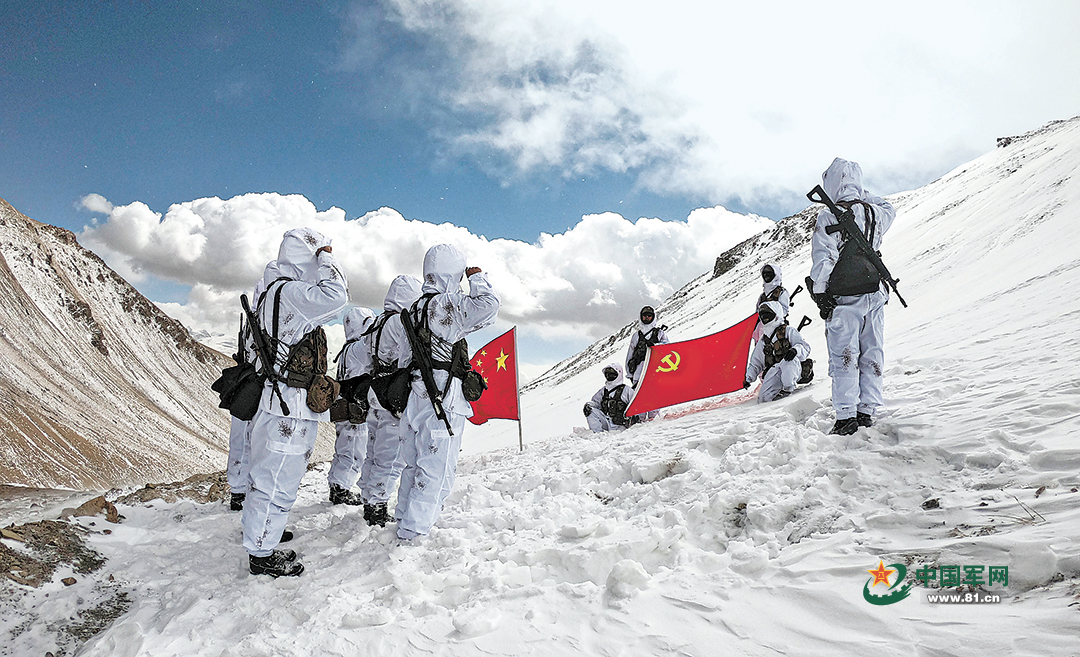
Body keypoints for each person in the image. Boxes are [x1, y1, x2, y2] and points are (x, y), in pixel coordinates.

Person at [242, 228, 348, 577]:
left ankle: (262, 534)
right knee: (278, 479)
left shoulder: (274, 290)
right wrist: (328, 258)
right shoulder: (289, 293)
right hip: (288, 405)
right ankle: (261, 553)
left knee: (269, 475)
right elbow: (336, 296)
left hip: (277, 402)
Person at [394, 244, 499, 541]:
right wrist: (477, 278)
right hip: (441, 397)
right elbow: (489, 305)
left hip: (415, 394)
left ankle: (404, 518)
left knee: (413, 466)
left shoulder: (413, 309)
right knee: (436, 469)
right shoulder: (445, 304)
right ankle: (413, 533)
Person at [807, 158, 896, 435]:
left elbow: (824, 259)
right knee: (872, 351)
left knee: (845, 353)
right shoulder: (875, 213)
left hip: (844, 298)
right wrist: (860, 195)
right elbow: (889, 207)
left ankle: (846, 416)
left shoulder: (829, 216)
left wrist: (821, 295)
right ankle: (867, 410)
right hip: (875, 292)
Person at [358, 275, 422, 527]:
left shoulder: (376, 323)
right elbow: (408, 355)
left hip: (375, 390)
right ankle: (377, 505)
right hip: (392, 395)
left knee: (373, 452)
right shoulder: (399, 323)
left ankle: (368, 497)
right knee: (391, 457)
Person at [226, 267, 271, 512]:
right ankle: (246, 492)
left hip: (245, 385)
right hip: (257, 386)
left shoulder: (252, 319)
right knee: (255, 440)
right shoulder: (264, 321)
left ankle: (238, 490)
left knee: (240, 438)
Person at [327, 307, 376, 506]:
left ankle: (336, 485)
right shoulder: (361, 347)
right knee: (355, 451)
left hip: (343, 406)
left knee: (343, 448)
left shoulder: (347, 349)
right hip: (355, 408)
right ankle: (341, 489)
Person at [743, 301, 811, 402]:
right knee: (764, 398)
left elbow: (805, 347)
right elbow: (756, 363)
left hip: (793, 367)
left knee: (788, 362)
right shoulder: (763, 340)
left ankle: (788, 389)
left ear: (776, 314)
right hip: (775, 369)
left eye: (768, 314)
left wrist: (795, 350)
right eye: (762, 315)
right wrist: (748, 378)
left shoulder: (788, 331)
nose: (765, 318)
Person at [625, 306, 669, 388]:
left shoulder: (660, 333)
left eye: (649, 315)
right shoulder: (636, 336)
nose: (647, 317)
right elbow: (630, 354)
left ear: (653, 317)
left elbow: (667, 347)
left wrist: (655, 345)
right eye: (644, 315)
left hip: (656, 369)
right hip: (639, 373)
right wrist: (630, 374)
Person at [584, 363, 636, 431]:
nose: (609, 376)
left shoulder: (627, 390)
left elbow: (637, 406)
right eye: (607, 374)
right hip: (606, 423)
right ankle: (597, 435)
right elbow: (596, 402)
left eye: (611, 373)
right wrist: (589, 405)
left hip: (621, 427)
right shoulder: (603, 391)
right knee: (591, 411)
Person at [751, 263, 791, 343]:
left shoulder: (781, 292)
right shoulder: (762, 296)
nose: (766, 275)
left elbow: (783, 311)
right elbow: (757, 315)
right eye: (765, 273)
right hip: (762, 332)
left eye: (769, 273)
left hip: (777, 330)